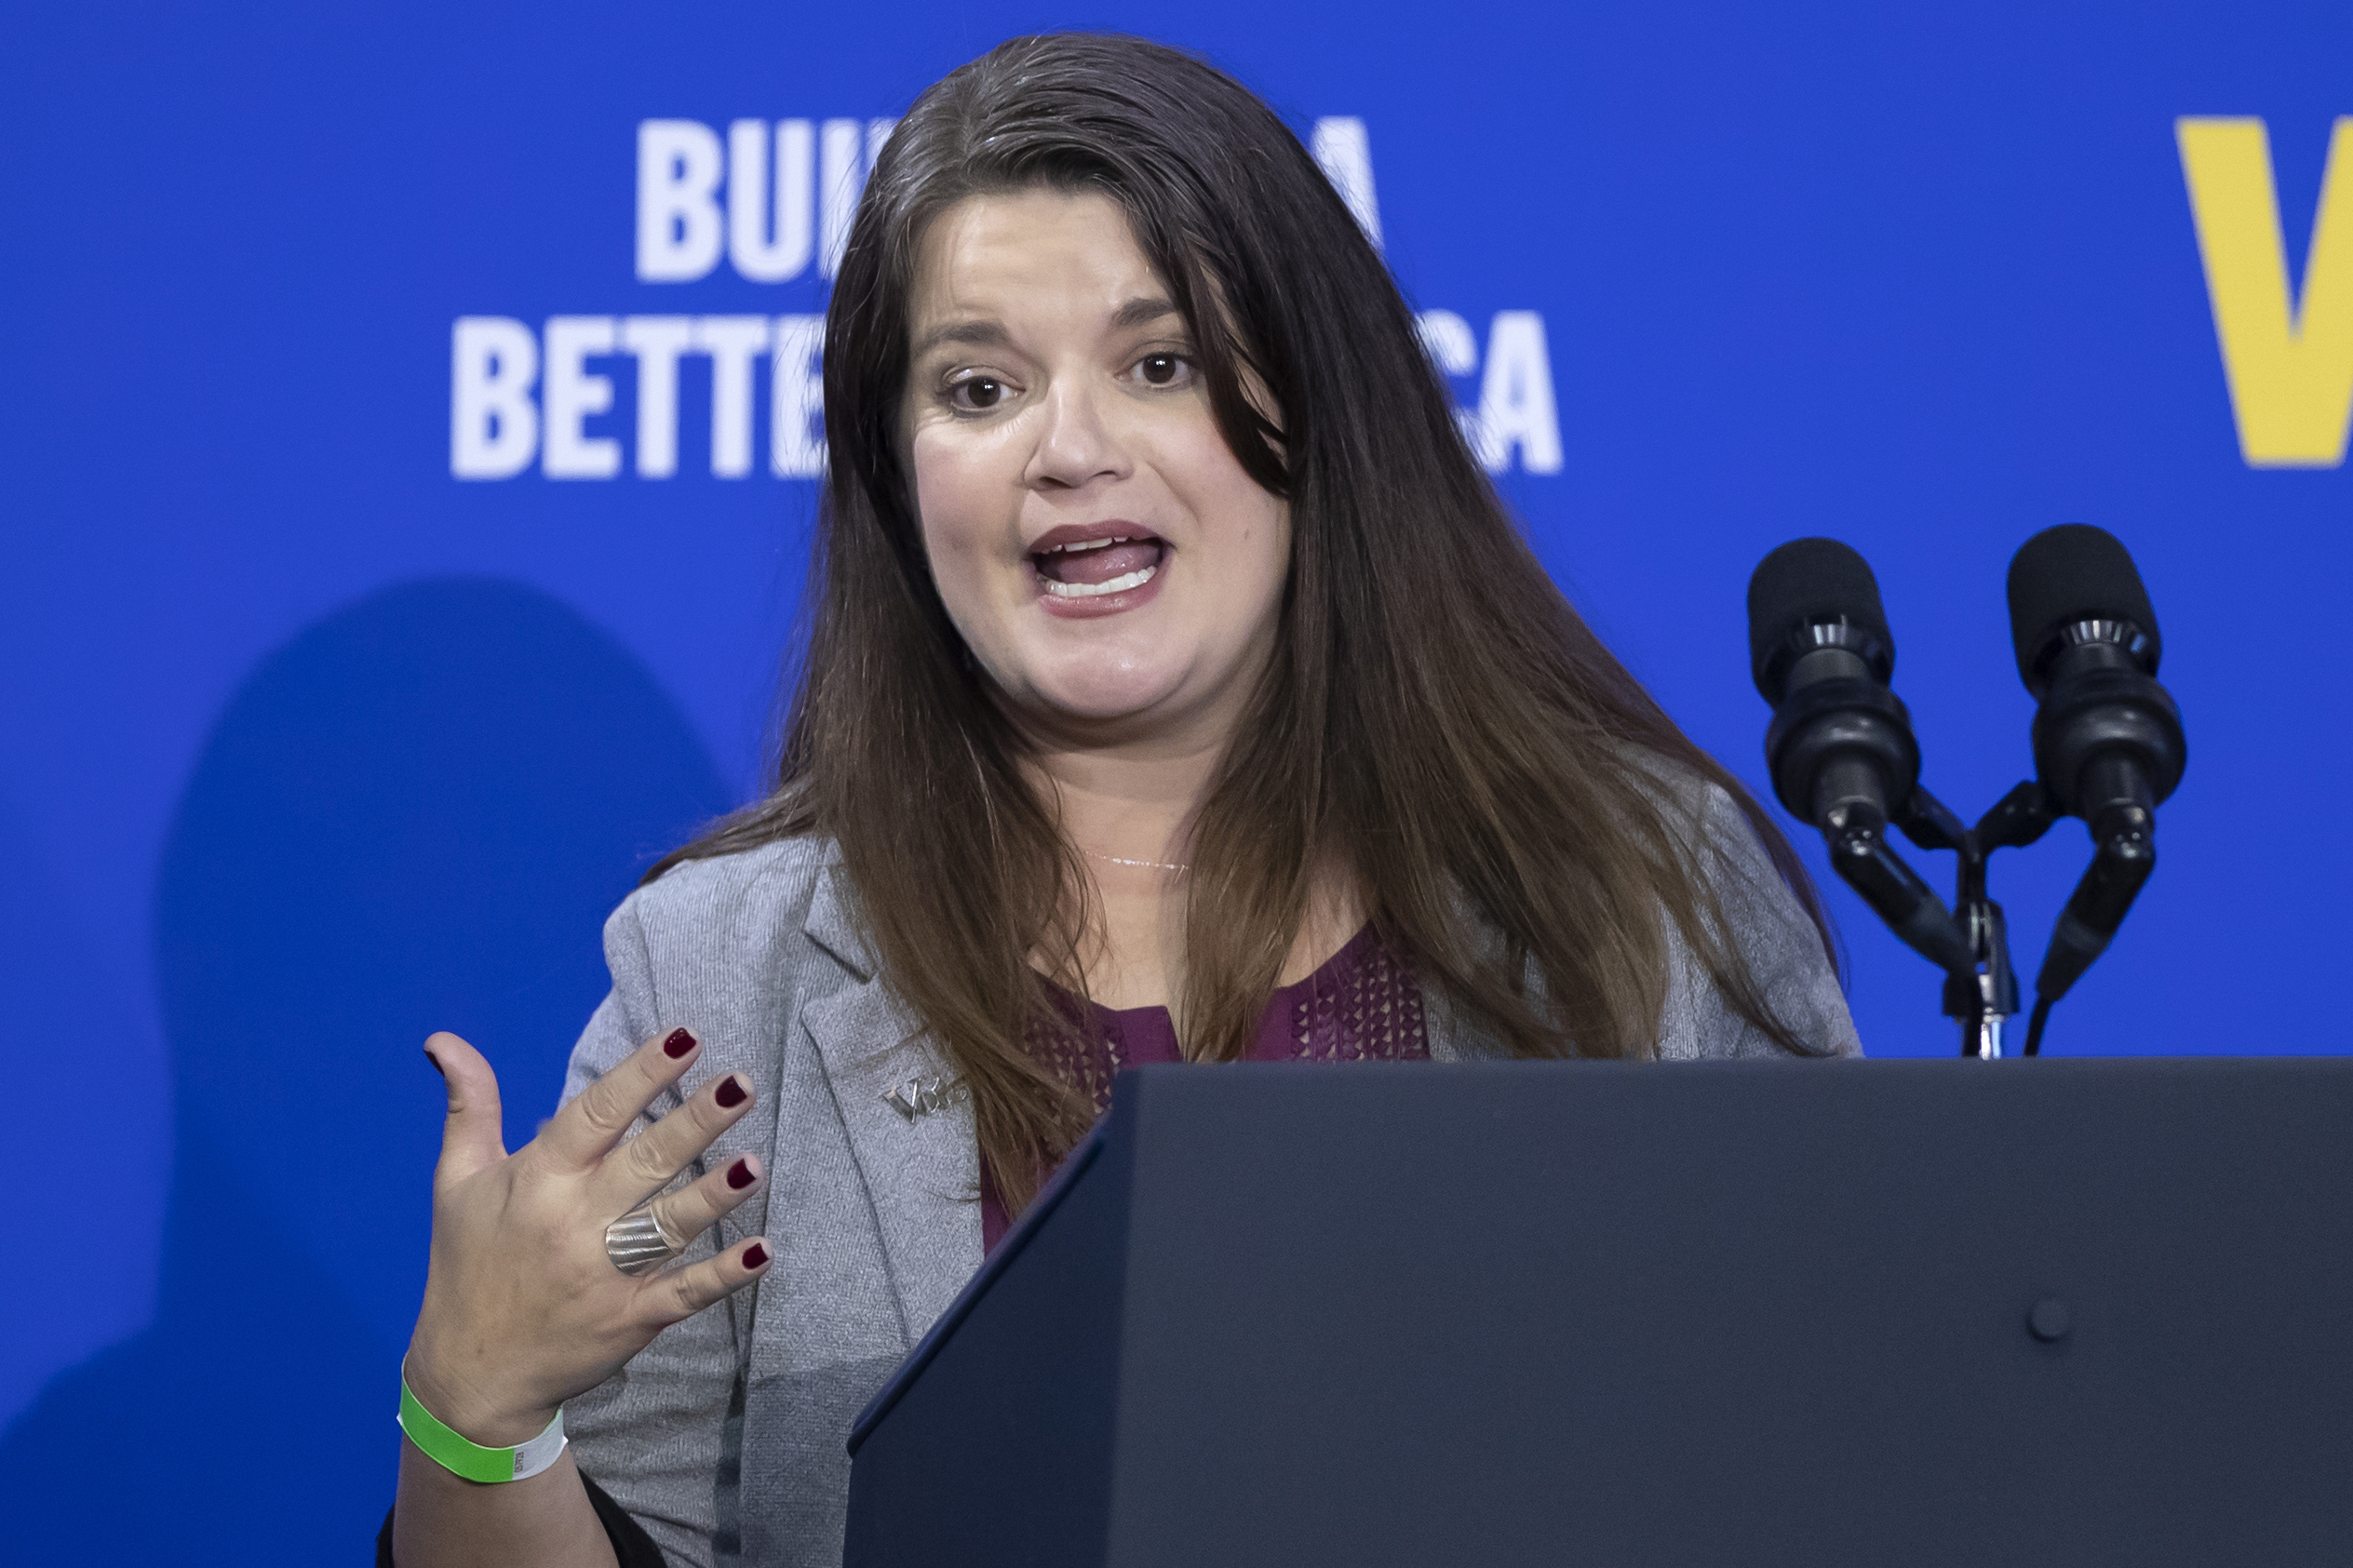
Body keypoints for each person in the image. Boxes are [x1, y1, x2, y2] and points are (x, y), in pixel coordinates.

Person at [385, 30, 1862, 1568]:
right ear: (896, 475)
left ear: (1319, 417)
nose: (1069, 450)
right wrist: (473, 1411)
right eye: (979, 386)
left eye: (1158, 365)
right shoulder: (718, 978)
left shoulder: (1642, 893)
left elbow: (1852, 1461)